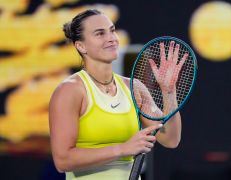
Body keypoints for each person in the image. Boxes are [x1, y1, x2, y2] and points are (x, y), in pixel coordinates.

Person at [49, 9, 184, 180]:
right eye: (100, 33)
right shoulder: (69, 91)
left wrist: (169, 92)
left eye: (112, 30)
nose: (111, 38)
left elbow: (170, 138)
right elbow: (63, 160)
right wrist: (123, 149)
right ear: (81, 46)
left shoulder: (134, 88)